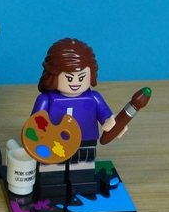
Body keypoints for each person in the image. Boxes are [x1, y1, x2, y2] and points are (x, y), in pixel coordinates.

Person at [31, 38, 123, 200]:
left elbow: (106, 115)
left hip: (85, 140)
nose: (75, 83)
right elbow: (34, 123)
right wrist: (39, 137)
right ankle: (51, 186)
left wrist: (112, 124)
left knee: (83, 165)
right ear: (53, 76)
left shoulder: (94, 97)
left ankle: (82, 185)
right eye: (69, 78)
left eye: (81, 78)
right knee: (52, 167)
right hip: (53, 142)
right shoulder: (47, 99)